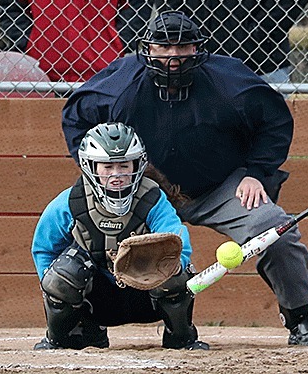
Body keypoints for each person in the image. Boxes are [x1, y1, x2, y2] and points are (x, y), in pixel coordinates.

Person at [61, 10, 308, 347]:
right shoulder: (123, 84)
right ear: (147, 49)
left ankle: (302, 316)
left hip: (219, 188)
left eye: (183, 46)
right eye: (163, 47)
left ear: (197, 49)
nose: (173, 56)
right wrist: (98, 172)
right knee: (91, 235)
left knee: (275, 229)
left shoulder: (226, 80)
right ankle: (84, 321)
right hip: (144, 192)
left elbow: (274, 120)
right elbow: (75, 115)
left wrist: (256, 172)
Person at [31, 122, 209, 350]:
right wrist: (53, 289)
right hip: (96, 301)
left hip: (146, 295)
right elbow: (43, 248)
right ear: (91, 167)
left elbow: (177, 242)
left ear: (137, 164)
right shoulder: (71, 201)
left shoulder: (152, 198)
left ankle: (181, 338)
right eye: (107, 167)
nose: (116, 175)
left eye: (124, 166)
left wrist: (173, 267)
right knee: (63, 273)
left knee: (173, 268)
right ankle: (68, 338)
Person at [152, 0, 308, 83]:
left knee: (269, 129)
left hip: (261, 64)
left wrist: (260, 31)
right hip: (197, 64)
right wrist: (184, 34)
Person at [0, 0, 152, 83]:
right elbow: (9, 2)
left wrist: (118, 42)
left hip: (103, 74)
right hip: (43, 74)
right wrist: (29, 42)